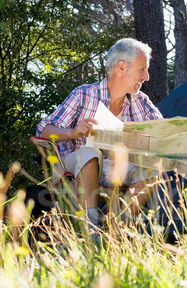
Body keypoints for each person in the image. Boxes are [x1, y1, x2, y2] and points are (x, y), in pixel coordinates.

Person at [36, 38, 163, 228]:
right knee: (90, 153)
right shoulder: (84, 95)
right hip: (77, 166)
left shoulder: (141, 101)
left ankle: (118, 228)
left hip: (119, 167)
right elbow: (43, 129)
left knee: (153, 166)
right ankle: (91, 229)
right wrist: (72, 132)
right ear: (121, 68)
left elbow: (163, 130)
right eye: (142, 70)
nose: (147, 77)